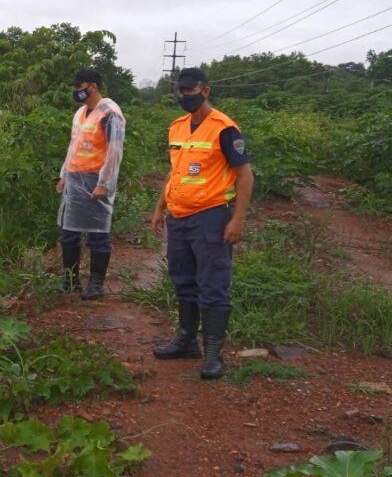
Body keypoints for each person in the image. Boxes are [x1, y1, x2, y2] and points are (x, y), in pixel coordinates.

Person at [150, 67, 254, 380]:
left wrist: (237, 219)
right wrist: (159, 208)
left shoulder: (224, 128)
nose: (184, 96)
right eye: (180, 91)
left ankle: (213, 355)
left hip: (210, 216)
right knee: (183, 278)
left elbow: (245, 175)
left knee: (212, 283)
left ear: (205, 90)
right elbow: (174, 171)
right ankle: (185, 341)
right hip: (178, 217)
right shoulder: (177, 127)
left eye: (190, 90)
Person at [56, 68, 126, 300]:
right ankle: (70, 280)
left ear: (93, 87)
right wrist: (64, 175)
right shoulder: (80, 113)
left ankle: (96, 285)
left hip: (96, 181)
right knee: (69, 233)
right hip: (75, 179)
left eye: (79, 87)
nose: (77, 92)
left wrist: (104, 183)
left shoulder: (109, 113)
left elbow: (115, 151)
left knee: (97, 234)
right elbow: (73, 146)